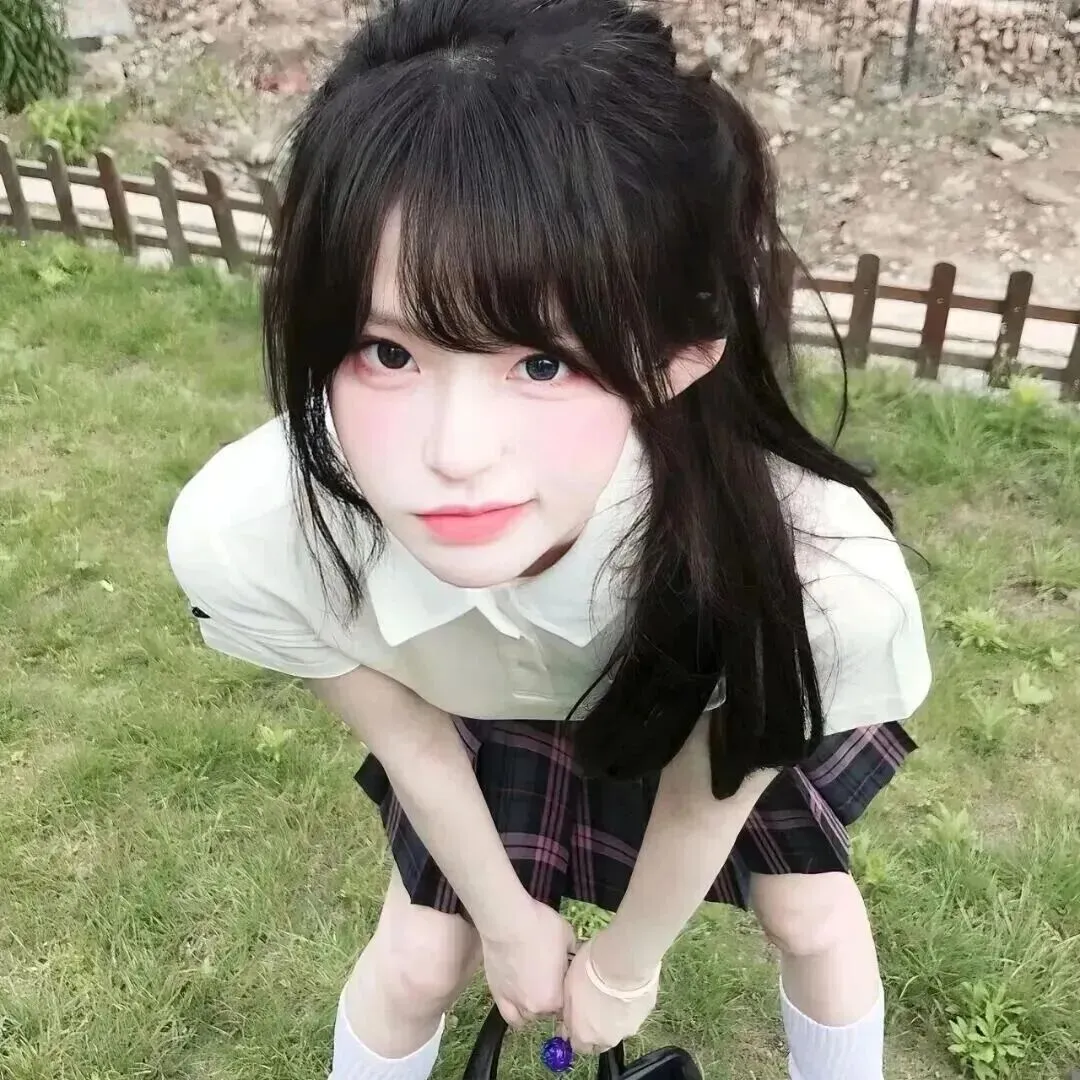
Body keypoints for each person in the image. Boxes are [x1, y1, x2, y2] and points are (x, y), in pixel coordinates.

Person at [166, 0, 932, 1077]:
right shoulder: (254, 535)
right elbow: (413, 741)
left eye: (542, 363)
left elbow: (714, 782)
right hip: (476, 704)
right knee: (420, 956)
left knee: (811, 915)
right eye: (388, 352)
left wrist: (626, 964)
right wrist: (507, 919)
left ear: (676, 358)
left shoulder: (815, 581)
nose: (455, 455)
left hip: (688, 700)